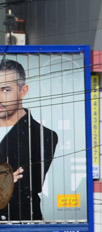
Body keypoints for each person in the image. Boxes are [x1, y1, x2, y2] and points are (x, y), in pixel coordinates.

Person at [0, 58, 58, 221]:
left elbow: (30, 183)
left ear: (23, 90)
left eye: (5, 89)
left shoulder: (43, 136)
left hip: (21, 220)